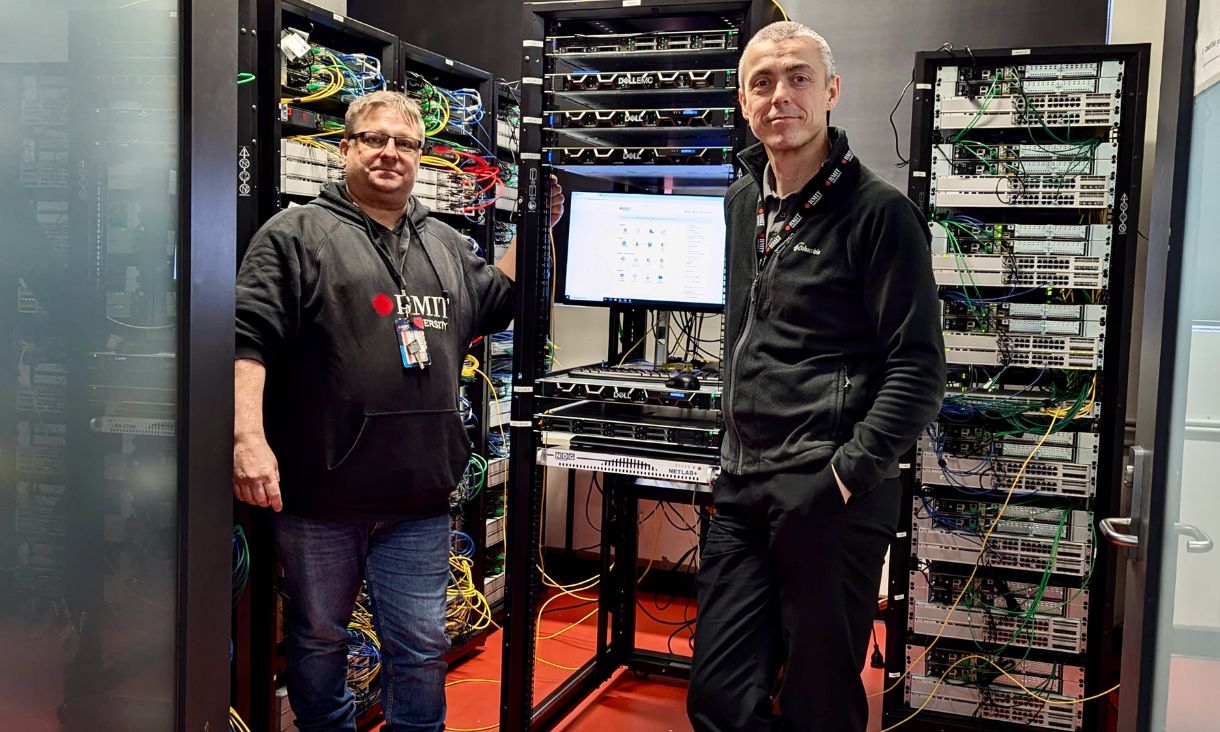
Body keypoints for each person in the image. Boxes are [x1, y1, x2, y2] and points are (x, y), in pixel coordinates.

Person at [233, 90, 562, 732]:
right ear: (346, 148)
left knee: (420, 649)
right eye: (375, 139)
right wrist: (248, 440)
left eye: (406, 144)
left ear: (419, 157)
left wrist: (535, 226)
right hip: (320, 496)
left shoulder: (443, 243)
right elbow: (247, 339)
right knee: (320, 640)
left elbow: (501, 299)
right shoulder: (296, 235)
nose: (391, 153)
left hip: (418, 501)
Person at [686, 21, 945, 732]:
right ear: (744, 102)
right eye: (762, 82)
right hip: (743, 487)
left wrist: (841, 475)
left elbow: (919, 368)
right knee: (717, 697)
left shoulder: (881, 215)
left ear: (830, 91)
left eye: (798, 77)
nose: (780, 96)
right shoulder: (742, 204)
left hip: (831, 493)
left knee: (817, 701)